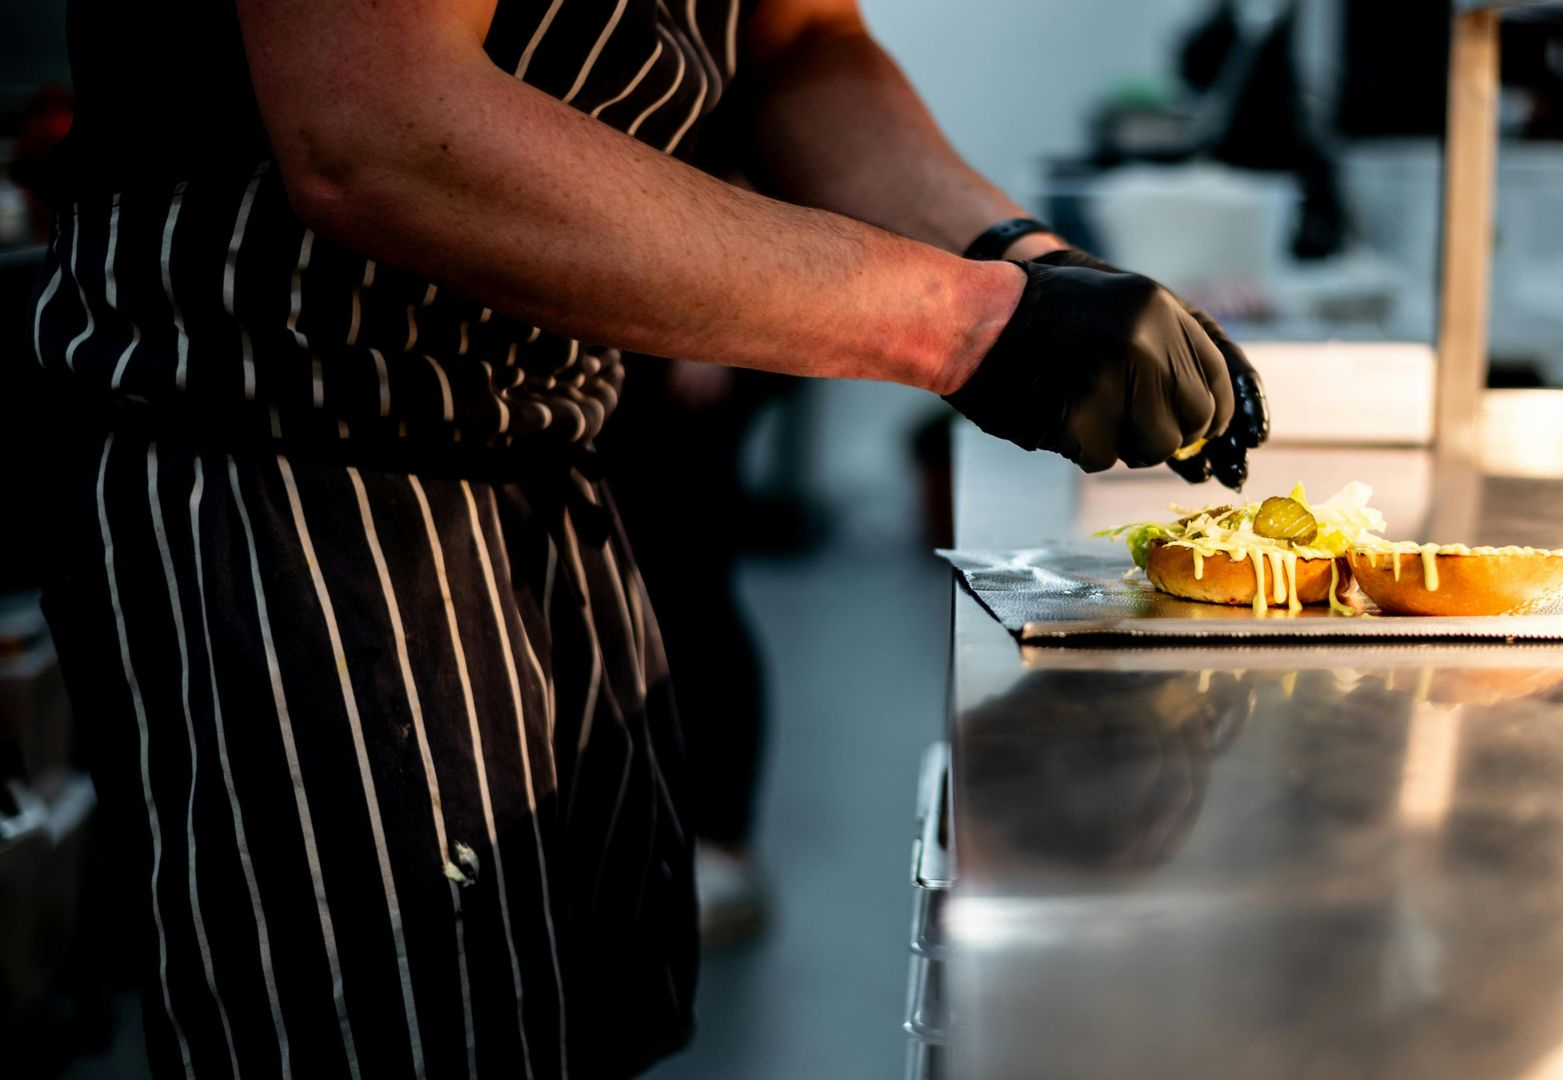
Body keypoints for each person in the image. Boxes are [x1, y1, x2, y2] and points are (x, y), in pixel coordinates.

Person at [20, 2, 1270, 1078]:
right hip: (278, 466)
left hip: (547, 452)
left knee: (574, 1022)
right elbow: (376, 126)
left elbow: (802, 47)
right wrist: (968, 325)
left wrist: (1030, 267)